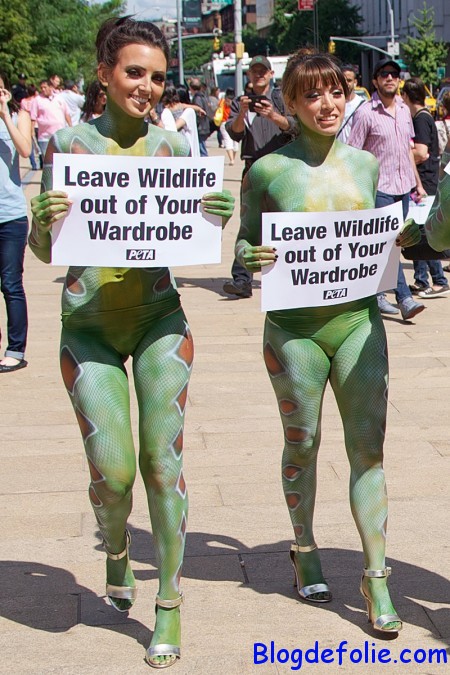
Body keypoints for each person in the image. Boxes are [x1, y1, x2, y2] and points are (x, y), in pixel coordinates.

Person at [29, 16, 234, 669]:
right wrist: (41, 223)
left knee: (161, 462)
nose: (147, 87)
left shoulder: (172, 150)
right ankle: (116, 548)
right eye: (134, 73)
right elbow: (44, 251)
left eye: (156, 76)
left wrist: (215, 213)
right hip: (87, 326)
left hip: (157, 319)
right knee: (112, 475)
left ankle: (168, 603)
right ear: (104, 75)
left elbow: (195, 232)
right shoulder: (68, 143)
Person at [234, 51, 402, 634]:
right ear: (290, 104)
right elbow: (243, 244)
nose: (328, 105)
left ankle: (376, 576)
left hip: (358, 323)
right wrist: (250, 257)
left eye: (336, 91)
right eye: (313, 96)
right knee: (301, 444)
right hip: (294, 331)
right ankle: (304, 547)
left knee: (369, 451)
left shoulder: (364, 165)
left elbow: (374, 237)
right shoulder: (267, 171)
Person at [348, 58, 426, 321]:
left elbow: (407, 150)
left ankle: (377, 294)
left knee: (394, 242)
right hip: (379, 188)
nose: (390, 78)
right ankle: (404, 299)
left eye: (394, 74)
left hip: (403, 187)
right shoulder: (366, 113)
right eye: (384, 74)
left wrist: (417, 182)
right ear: (375, 81)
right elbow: (353, 154)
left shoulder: (404, 110)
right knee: (391, 243)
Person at [223, 55, 297, 299]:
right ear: (248, 76)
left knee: (284, 222)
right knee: (249, 224)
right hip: (253, 168)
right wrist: (241, 114)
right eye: (254, 72)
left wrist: (273, 116)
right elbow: (234, 135)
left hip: (280, 168)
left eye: (262, 72)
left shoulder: (281, 99)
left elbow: (295, 128)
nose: (259, 75)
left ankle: (286, 273)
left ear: (270, 74)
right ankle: (242, 279)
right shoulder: (240, 103)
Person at [401, 77, 449, 298]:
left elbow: (439, 232)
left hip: (426, 183)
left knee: (425, 232)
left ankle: (430, 279)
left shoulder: (421, 119)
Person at [0, 72, 31, 373]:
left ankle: (15, 349)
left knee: (10, 283)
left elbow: (25, 150)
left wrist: (5, 116)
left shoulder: (19, 117)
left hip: (10, 215)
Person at [30, 79, 72, 158]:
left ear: (50, 87)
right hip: (44, 136)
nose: (43, 89)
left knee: (60, 160)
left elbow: (67, 113)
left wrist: (71, 127)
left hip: (59, 135)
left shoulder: (59, 98)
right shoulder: (37, 100)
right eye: (41, 88)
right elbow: (33, 118)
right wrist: (32, 132)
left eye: (45, 87)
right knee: (48, 161)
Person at [161, 86, 200, 156]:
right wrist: (200, 110)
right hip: (183, 134)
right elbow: (193, 107)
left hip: (173, 135)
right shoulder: (180, 105)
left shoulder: (166, 108)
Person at [336, 65, 364, 143]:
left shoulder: (363, 105)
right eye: (342, 81)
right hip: (336, 152)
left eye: (349, 80)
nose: (345, 83)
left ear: (355, 82)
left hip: (355, 152)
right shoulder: (333, 104)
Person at [188, 78, 210, 157]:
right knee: (202, 146)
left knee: (201, 148)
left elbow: (199, 111)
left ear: (191, 88)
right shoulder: (203, 96)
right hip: (204, 125)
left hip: (200, 126)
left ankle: (205, 163)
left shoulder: (197, 98)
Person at [218, 88, 238, 165]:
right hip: (234, 122)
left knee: (227, 140)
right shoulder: (236, 102)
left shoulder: (223, 101)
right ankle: (233, 158)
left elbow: (218, 108)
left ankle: (231, 159)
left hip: (224, 122)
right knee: (235, 141)